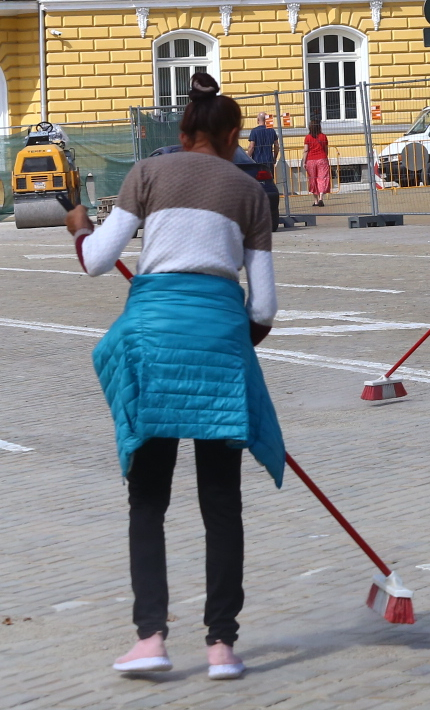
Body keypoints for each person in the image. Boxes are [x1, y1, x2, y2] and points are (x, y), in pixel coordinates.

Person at [70, 72, 281, 682]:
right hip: (217, 344)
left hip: (154, 344)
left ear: (182, 130)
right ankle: (221, 647)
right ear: (233, 134)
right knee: (220, 502)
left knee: (148, 500)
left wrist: (79, 226)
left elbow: (96, 262)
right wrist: (230, 345)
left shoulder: (147, 176)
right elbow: (262, 309)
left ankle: (152, 638)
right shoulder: (250, 193)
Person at [302, 119, 330, 208]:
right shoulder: (323, 136)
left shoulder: (308, 137)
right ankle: (321, 198)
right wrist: (325, 157)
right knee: (322, 178)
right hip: (322, 159)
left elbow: (306, 150)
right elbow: (326, 149)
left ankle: (316, 201)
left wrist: (304, 161)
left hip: (311, 160)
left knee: (312, 179)